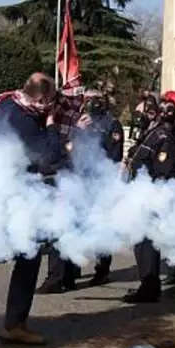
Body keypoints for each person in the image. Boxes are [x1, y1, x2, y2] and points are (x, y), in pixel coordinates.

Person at [0, 73, 66, 346]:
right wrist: (53, 125)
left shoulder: (7, 104)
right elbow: (50, 158)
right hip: (7, 196)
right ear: (41, 99)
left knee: (28, 254)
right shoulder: (24, 121)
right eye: (49, 103)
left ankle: (15, 323)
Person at [123, 97, 175, 303]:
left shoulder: (168, 136)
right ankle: (153, 283)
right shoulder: (149, 135)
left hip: (166, 195)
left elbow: (163, 172)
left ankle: (165, 282)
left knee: (168, 237)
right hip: (148, 194)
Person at [39, 91, 125, 294]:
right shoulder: (81, 122)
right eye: (88, 100)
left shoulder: (112, 125)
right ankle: (69, 273)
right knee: (72, 225)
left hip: (99, 183)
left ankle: (102, 270)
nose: (91, 103)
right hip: (78, 181)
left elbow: (115, 155)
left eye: (95, 99)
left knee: (100, 226)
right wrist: (78, 131)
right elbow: (70, 149)